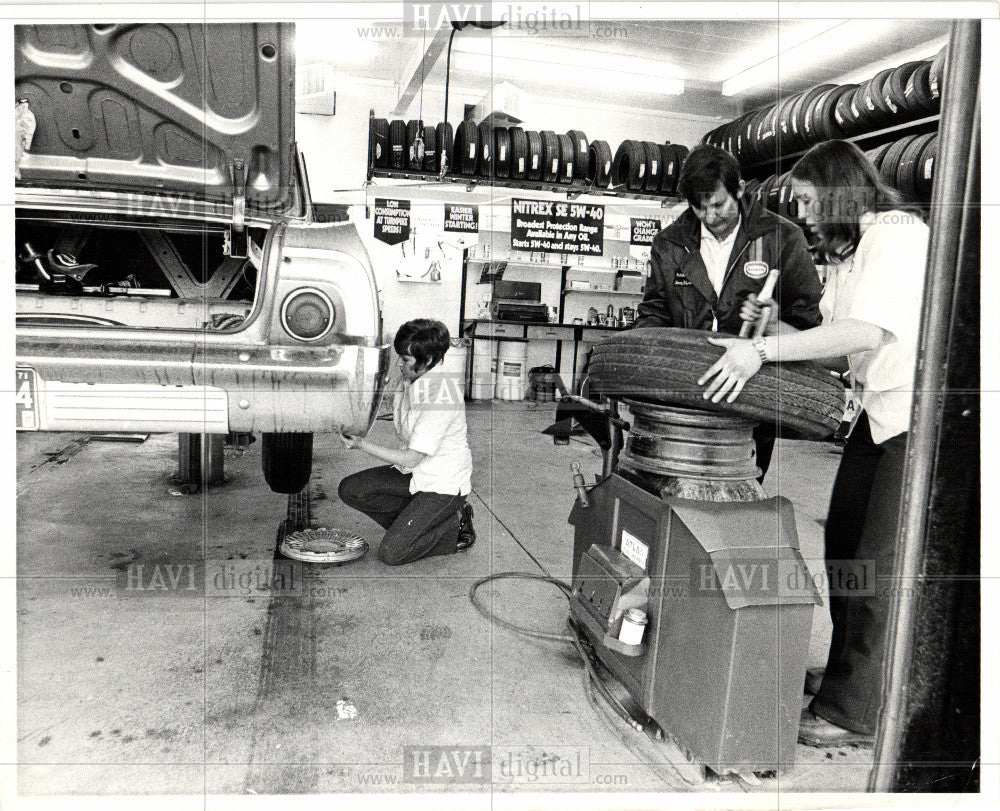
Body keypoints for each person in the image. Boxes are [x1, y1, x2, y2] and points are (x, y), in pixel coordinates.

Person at [697, 140, 930, 747]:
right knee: (843, 544)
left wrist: (762, 351)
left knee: (877, 561)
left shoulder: (899, 237)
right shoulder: (852, 253)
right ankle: (855, 676)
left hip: (918, 419)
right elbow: (834, 340)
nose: (801, 215)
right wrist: (773, 324)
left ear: (835, 191)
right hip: (876, 414)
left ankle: (856, 712)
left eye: (805, 200)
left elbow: (869, 330)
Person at [634, 144, 823, 478]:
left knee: (739, 490)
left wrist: (773, 322)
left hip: (753, 392)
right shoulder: (670, 243)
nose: (709, 217)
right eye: (699, 207)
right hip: (684, 390)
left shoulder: (783, 238)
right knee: (670, 483)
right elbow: (654, 313)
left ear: (739, 189)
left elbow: (808, 326)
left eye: (719, 204)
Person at [338, 319, 475, 566]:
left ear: (429, 360)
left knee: (392, 553)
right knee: (352, 489)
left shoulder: (441, 396)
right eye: (400, 357)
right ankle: (417, 523)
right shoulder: (411, 380)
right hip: (414, 474)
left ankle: (454, 527)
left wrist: (361, 444)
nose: (400, 364)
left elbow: (412, 457)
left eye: (406, 360)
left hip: (441, 484)